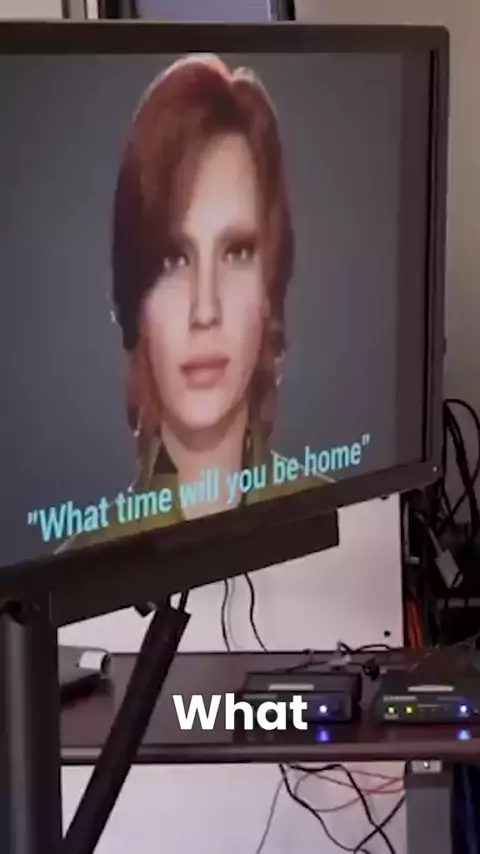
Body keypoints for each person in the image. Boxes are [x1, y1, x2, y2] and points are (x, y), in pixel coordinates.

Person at [63, 53, 327, 552]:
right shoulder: (77, 570)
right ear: (136, 300)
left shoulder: (345, 522)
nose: (205, 310)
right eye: (172, 260)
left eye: (237, 252)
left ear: (270, 286)